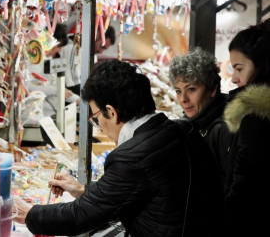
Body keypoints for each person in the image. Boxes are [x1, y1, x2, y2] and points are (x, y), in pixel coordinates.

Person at [14, 59, 229, 237]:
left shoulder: (132, 156)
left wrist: (27, 213)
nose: (99, 126)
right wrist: (82, 190)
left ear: (111, 111)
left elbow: (78, 216)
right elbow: (141, 192)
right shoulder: (182, 129)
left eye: (96, 118)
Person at [222, 19, 270, 237]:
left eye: (239, 68)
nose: (234, 79)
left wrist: (227, 213)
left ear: (261, 65)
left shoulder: (256, 112)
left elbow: (244, 176)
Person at [169, 47, 232, 187]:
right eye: (178, 91)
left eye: (191, 89)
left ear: (213, 89)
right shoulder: (191, 123)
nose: (183, 99)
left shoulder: (224, 127)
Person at [27, 24, 80, 117]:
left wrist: (77, 99)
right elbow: (30, 87)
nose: (59, 50)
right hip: (35, 116)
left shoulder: (49, 59)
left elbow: (57, 87)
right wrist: (58, 90)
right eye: (58, 46)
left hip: (52, 114)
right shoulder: (34, 61)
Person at [62, 26, 116, 96]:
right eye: (102, 46)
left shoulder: (92, 53)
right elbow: (72, 85)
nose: (101, 51)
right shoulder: (73, 48)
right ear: (96, 35)